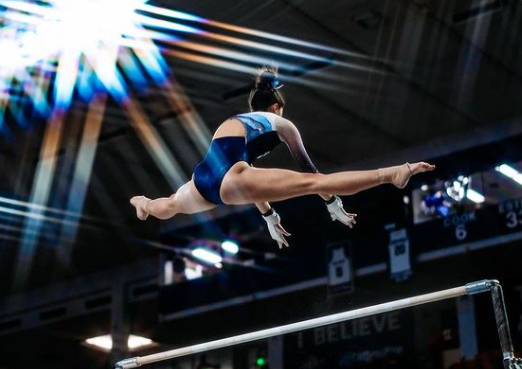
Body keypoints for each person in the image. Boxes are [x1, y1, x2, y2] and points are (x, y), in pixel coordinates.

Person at [130, 66, 435, 248]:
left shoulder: (235, 122)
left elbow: (242, 176)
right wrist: (332, 204)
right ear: (276, 107)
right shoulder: (281, 123)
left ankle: (143, 204)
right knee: (313, 183)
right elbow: (312, 175)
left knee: (168, 204)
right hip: (232, 181)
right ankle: (392, 174)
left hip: (201, 182)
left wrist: (269, 216)